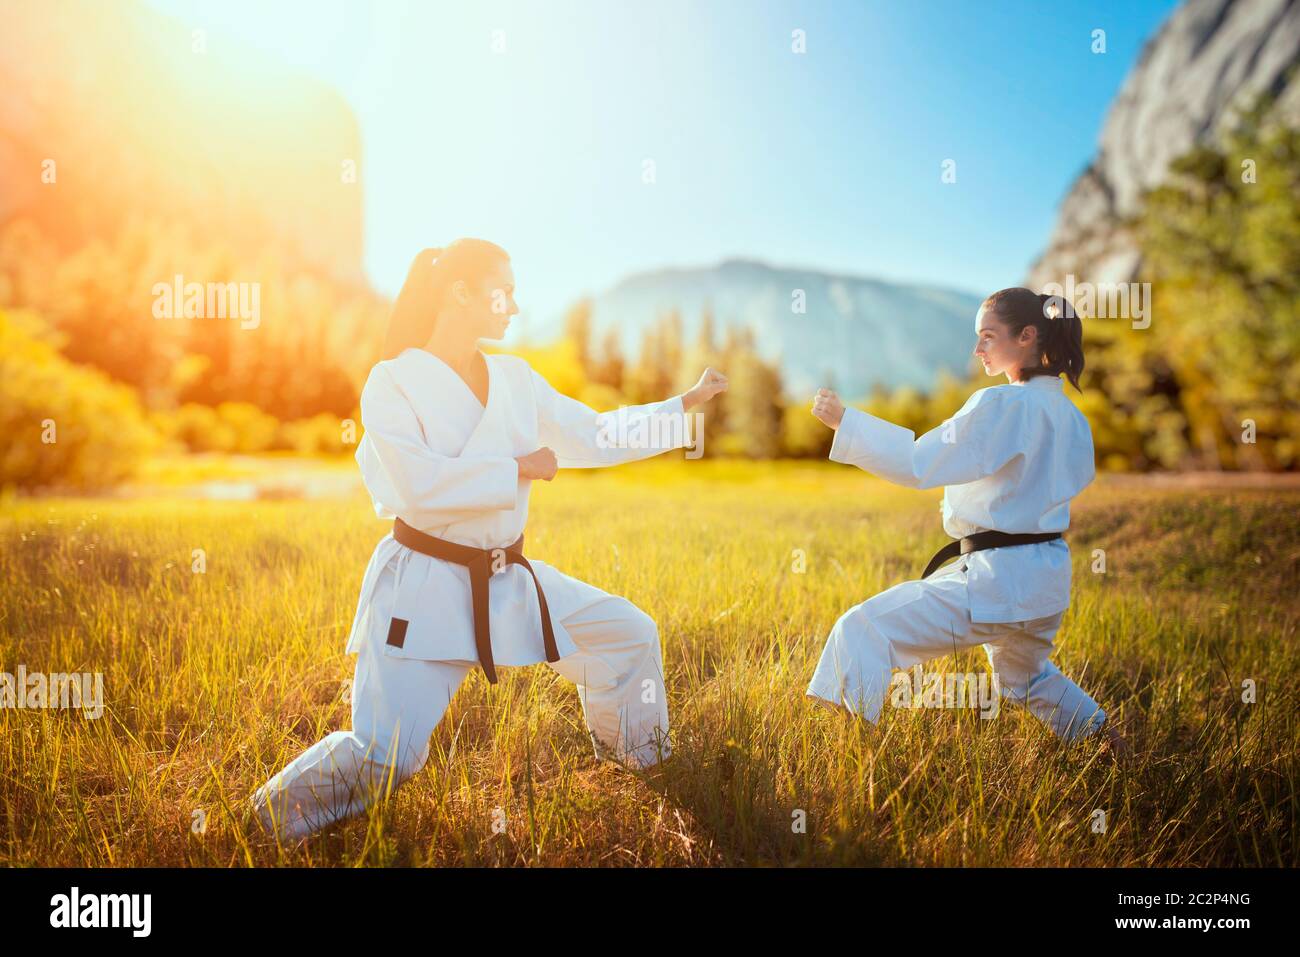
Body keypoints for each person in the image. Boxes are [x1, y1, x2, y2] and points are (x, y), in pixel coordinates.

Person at [251, 239, 728, 841]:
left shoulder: (516, 379)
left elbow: (596, 433)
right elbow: (417, 486)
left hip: (508, 576)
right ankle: (262, 822)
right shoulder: (391, 383)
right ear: (460, 293)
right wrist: (517, 469)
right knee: (387, 755)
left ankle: (638, 773)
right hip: (424, 585)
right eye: (504, 291)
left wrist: (681, 404)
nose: (514, 307)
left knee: (627, 636)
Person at [805, 287, 1128, 760]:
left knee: (861, 631)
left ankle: (852, 764)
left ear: (1027, 336)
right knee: (1028, 679)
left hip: (995, 583)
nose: (978, 350)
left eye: (987, 336)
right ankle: (1119, 753)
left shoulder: (1001, 405)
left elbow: (919, 463)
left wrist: (845, 424)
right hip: (1046, 584)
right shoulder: (1073, 418)